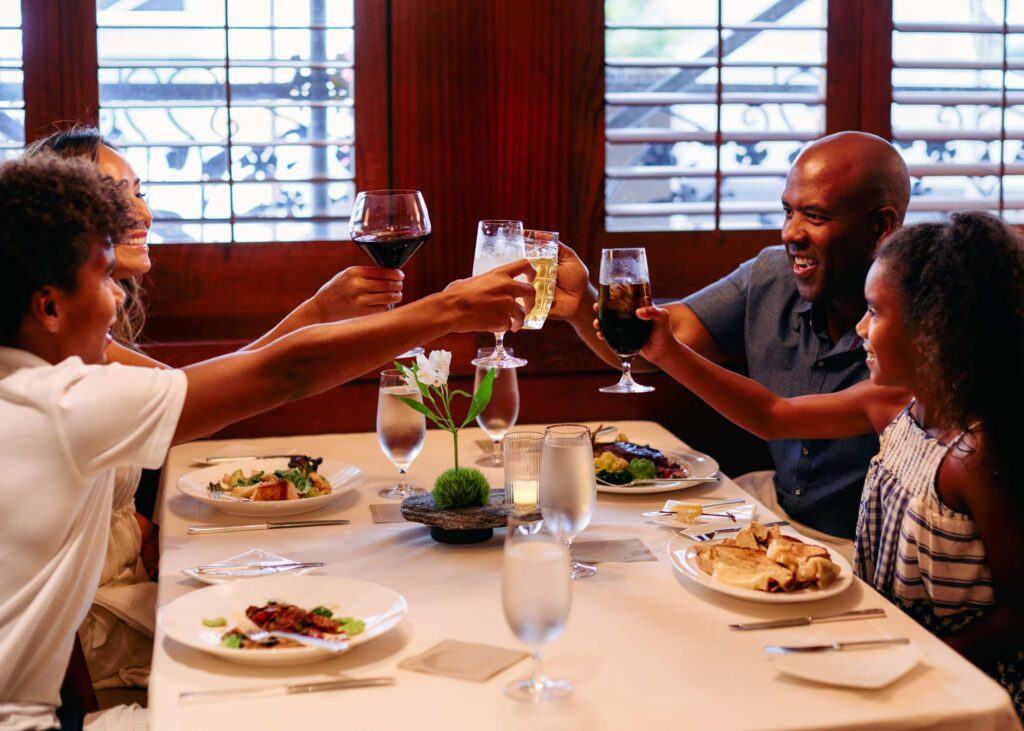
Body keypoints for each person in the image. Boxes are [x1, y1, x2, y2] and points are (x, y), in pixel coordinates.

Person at [0, 152, 534, 730]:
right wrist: (450, 309)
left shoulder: (27, 385)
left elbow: (239, 376)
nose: (120, 297)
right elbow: (282, 373)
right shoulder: (54, 406)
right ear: (49, 306)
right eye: (104, 278)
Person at [26, 126, 408, 689]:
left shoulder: (78, 334)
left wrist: (318, 311)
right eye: (114, 197)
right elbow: (250, 381)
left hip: (124, 593)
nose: (140, 213)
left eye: (140, 191)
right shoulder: (58, 348)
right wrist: (445, 313)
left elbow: (205, 386)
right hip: (91, 641)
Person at [612, 212, 1024, 716]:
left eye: (875, 312)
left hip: (960, 681)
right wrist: (668, 351)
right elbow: (772, 414)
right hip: (879, 636)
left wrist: (924, 655)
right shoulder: (895, 402)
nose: (860, 327)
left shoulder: (975, 455)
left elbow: (1019, 614)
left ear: (935, 327)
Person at [552, 131, 912, 556]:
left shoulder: (920, 322)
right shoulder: (770, 274)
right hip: (774, 509)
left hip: (864, 545)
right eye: (787, 211)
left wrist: (664, 348)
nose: (790, 233)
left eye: (814, 216)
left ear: (882, 226)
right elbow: (654, 346)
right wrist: (583, 306)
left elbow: (771, 416)